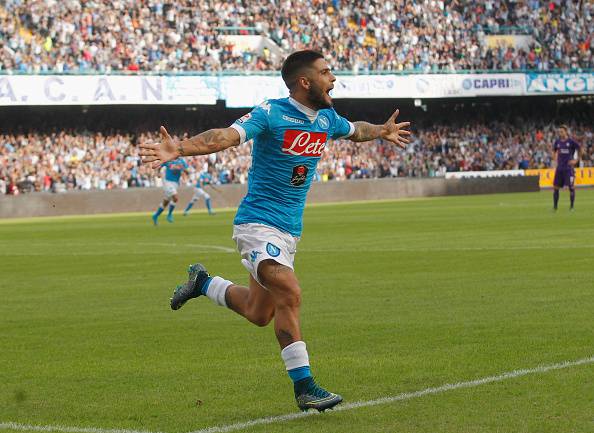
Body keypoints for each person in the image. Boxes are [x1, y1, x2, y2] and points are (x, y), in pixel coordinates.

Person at [139, 50, 411, 412]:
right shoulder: (272, 112)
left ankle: (202, 283)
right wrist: (182, 148)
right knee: (290, 291)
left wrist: (381, 131)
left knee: (259, 312)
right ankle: (305, 387)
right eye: (326, 72)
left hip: (289, 231)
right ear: (304, 82)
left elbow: (355, 130)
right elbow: (226, 135)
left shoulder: (326, 118)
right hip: (257, 224)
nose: (333, 79)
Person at [552, 125, 581, 211]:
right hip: (559, 168)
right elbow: (554, 150)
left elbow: (580, 148)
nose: (560, 133)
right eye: (559, 132)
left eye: (561, 131)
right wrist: (554, 160)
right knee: (556, 187)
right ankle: (555, 207)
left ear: (566, 131)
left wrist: (576, 160)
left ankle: (572, 207)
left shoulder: (571, 141)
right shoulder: (557, 142)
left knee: (571, 187)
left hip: (568, 169)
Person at [152, 157, 188, 224]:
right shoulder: (168, 158)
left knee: (166, 202)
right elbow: (160, 166)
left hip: (176, 183)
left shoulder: (182, 161)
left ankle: (155, 215)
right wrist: (158, 173)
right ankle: (169, 215)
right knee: (175, 198)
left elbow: (187, 171)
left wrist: (182, 169)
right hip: (167, 181)